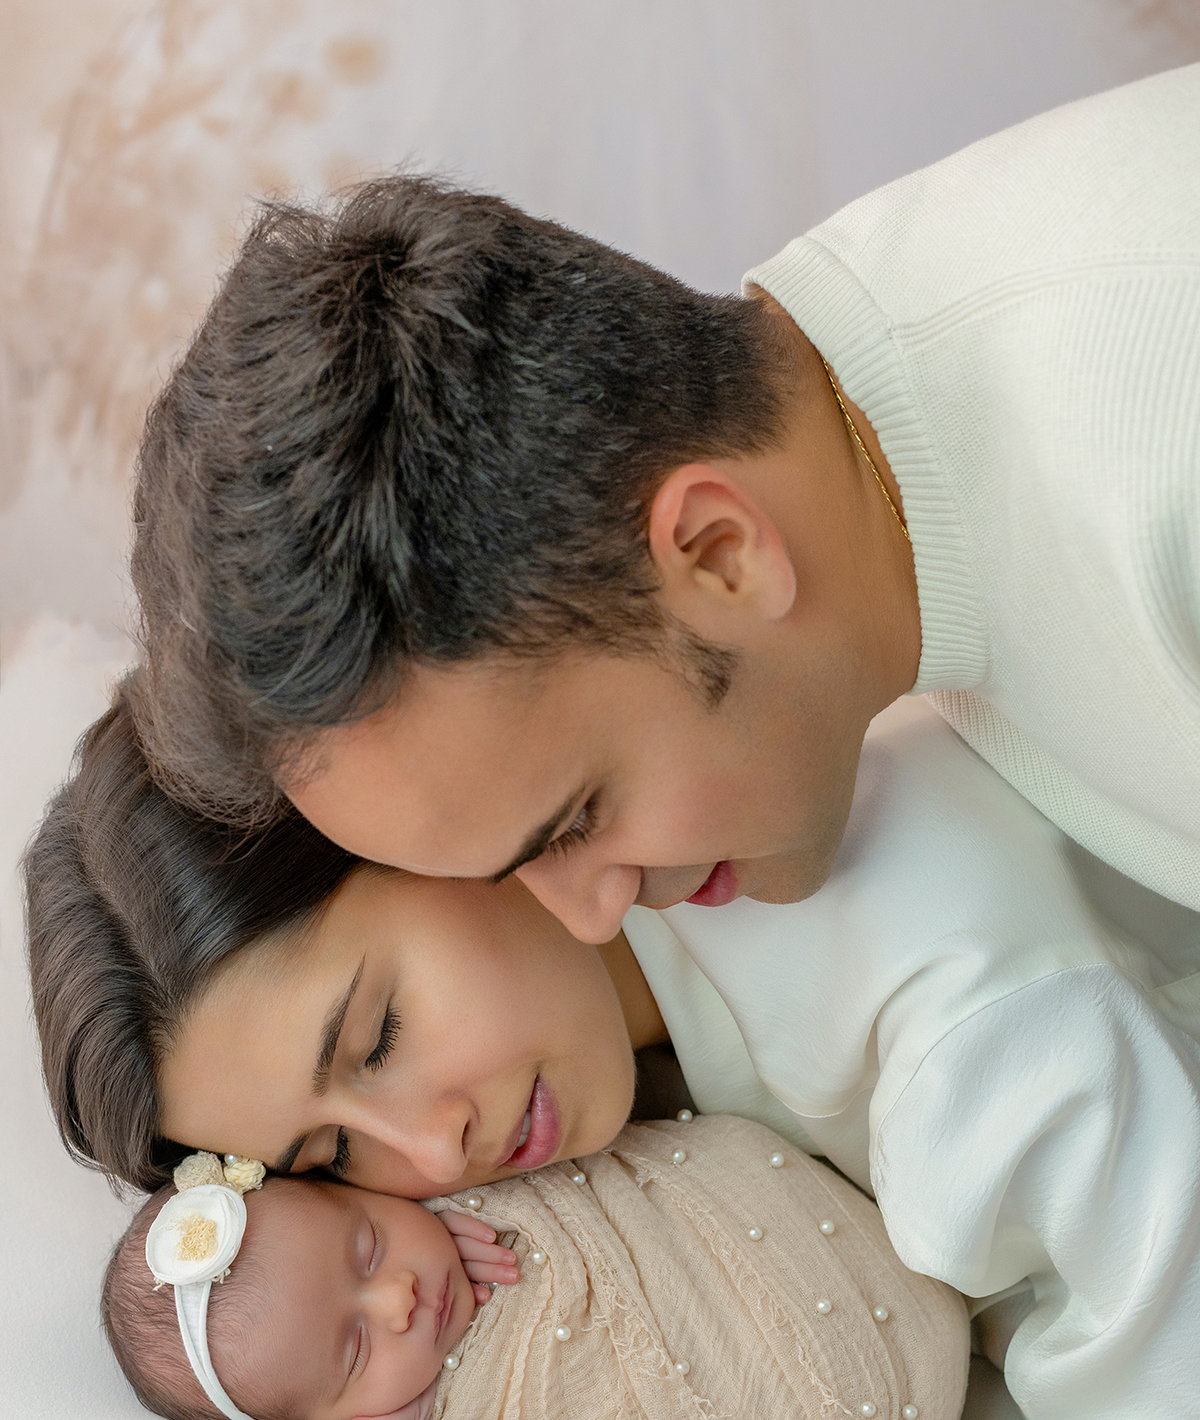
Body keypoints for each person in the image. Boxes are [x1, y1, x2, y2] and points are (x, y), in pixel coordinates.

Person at [23, 686, 1200, 1420]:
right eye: (330, 1160)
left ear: (426, 820)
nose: (431, 1160)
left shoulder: (951, 1018)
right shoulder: (641, 1055)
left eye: (378, 1036)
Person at [125, 66, 1200, 946]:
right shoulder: (869, 427)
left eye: (575, 821)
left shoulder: (1152, 444)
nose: (593, 920)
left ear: (720, 553)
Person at [102, 1116, 971, 1420]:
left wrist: (472, 1206)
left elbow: (572, 1176)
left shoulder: (444, 1206)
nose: (400, 1298)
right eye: (357, 1347)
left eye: (368, 1250)